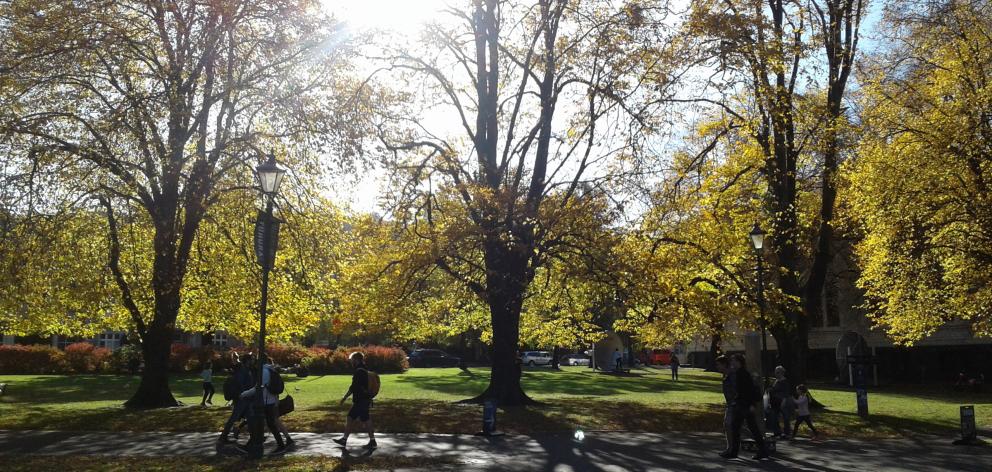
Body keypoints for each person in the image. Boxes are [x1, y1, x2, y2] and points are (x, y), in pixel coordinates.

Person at [721, 354, 770, 460]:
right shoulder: (741, 373)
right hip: (743, 404)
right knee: (746, 428)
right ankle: (762, 450)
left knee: (740, 428)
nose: (732, 363)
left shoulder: (742, 374)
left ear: (739, 362)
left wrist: (751, 404)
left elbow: (748, 391)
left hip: (744, 405)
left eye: (733, 361)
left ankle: (735, 452)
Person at [334, 352, 377, 451]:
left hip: (361, 400)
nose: (351, 361)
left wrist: (344, 398)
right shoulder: (364, 369)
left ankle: (344, 440)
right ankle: (372, 441)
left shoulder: (359, 371)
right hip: (365, 399)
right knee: (366, 419)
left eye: (352, 359)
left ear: (356, 360)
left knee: (351, 417)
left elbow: (353, 387)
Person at [218, 353, 253, 445]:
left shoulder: (245, 369)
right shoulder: (242, 370)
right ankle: (223, 437)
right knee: (234, 418)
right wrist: (244, 394)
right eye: (251, 360)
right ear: (248, 361)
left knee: (250, 417)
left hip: (245, 397)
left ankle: (254, 437)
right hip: (242, 398)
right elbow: (240, 383)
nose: (252, 361)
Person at [716, 355, 736, 457]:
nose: (717, 367)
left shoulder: (732, 375)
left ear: (724, 364)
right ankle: (731, 448)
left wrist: (735, 401)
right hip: (730, 404)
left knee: (728, 424)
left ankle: (731, 449)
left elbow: (737, 389)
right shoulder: (726, 375)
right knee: (728, 425)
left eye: (719, 365)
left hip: (735, 404)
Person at [768, 366, 792, 438]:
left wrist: (784, 401)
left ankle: (787, 433)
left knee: (785, 418)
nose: (776, 374)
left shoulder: (785, 381)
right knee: (774, 417)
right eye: (775, 372)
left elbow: (786, 393)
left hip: (781, 401)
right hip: (774, 402)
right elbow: (774, 389)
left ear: (782, 373)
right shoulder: (776, 381)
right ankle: (777, 432)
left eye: (777, 372)